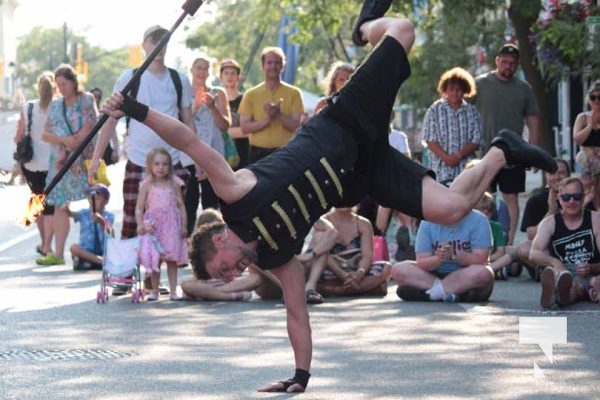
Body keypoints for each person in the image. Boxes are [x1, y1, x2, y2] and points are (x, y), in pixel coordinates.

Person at [100, 1, 556, 391]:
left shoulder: (233, 195)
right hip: (364, 173)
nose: (232, 273)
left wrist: (134, 109)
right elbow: (296, 314)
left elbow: (188, 141)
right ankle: (501, 151)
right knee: (454, 208)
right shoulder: (276, 258)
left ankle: (363, 28)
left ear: (218, 242)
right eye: (228, 276)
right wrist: (300, 375)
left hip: (344, 123)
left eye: (224, 268)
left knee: (403, 30)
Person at [89, 25, 194, 295]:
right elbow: (110, 121)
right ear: (144, 45)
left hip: (171, 160)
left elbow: (188, 123)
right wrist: (95, 160)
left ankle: (158, 277)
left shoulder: (178, 79)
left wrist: (197, 160)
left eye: (163, 41)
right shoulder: (130, 77)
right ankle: (125, 275)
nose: (158, 46)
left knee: (169, 221)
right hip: (138, 160)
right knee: (133, 219)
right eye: (153, 41)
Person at [472, 43, 541, 246]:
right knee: (483, 197)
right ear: (497, 61)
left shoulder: (524, 89)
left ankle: (508, 244)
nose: (508, 66)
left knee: (511, 198)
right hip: (485, 152)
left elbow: (533, 119)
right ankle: (483, 241)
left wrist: (533, 151)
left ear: (517, 65)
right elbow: (464, 109)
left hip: (514, 153)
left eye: (512, 63)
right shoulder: (480, 83)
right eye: (504, 62)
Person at [36, 64, 97, 266]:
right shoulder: (55, 105)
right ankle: (59, 253)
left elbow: (92, 125)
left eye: (65, 83)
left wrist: (75, 141)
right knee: (60, 205)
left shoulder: (86, 99)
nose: (61, 88)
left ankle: (96, 246)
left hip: (82, 159)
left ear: (73, 82)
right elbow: (45, 134)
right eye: (58, 84)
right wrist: (64, 141)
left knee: (94, 201)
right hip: (60, 161)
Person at [392, 205, 494, 303]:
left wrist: (455, 254)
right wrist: (439, 258)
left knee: (484, 273)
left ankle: (430, 294)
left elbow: (482, 259)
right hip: (433, 274)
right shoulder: (427, 222)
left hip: (465, 274)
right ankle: (449, 293)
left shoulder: (479, 220)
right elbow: (422, 262)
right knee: (398, 270)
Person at [181, 208, 283, 301]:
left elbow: (256, 279)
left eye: (225, 268)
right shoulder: (206, 266)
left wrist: (214, 291)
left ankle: (223, 295)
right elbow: (186, 286)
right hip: (262, 287)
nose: (234, 273)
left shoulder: (251, 247)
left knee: (256, 262)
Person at [530, 177, 600, 308]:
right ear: (559, 198)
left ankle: (558, 294)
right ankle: (559, 290)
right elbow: (533, 253)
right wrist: (555, 262)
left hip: (590, 271)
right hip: (563, 270)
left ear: (584, 197)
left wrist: (592, 267)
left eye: (577, 196)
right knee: (568, 281)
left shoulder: (595, 219)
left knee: (582, 284)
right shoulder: (549, 223)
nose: (572, 201)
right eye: (567, 197)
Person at [182, 57, 231, 235]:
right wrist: (195, 106)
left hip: (212, 154)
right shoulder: (184, 92)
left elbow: (225, 125)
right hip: (188, 154)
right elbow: (180, 122)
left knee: (211, 202)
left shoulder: (218, 93)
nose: (202, 72)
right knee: (189, 200)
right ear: (192, 70)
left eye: (205, 68)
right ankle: (186, 246)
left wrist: (212, 107)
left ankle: (214, 241)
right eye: (198, 68)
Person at [303, 207, 391, 304]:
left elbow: (368, 255)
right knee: (311, 272)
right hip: (331, 270)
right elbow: (321, 252)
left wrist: (359, 273)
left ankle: (332, 290)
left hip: (355, 271)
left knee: (386, 267)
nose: (343, 204)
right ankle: (364, 289)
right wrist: (342, 274)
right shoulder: (323, 221)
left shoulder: (363, 223)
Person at [135, 148, 188, 301]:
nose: (160, 167)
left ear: (170, 166)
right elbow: (139, 207)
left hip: (171, 226)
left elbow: (181, 206)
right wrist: (140, 224)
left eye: (165, 164)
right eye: (157, 164)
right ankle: (154, 290)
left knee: (171, 258)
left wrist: (184, 225)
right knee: (154, 258)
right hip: (153, 227)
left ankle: (173, 290)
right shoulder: (147, 184)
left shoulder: (174, 183)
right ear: (150, 165)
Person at [13, 71, 56, 257]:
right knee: (52, 206)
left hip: (32, 163)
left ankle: (44, 243)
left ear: (38, 87)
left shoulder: (28, 108)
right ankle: (48, 245)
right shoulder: (57, 106)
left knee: (38, 201)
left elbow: (18, 136)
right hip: (53, 163)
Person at [239, 46, 304, 162]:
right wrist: (267, 119)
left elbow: (296, 126)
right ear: (263, 67)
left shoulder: (294, 93)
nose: (273, 66)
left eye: (277, 63)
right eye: (269, 63)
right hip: (257, 154)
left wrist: (278, 115)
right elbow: (245, 127)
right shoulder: (250, 94)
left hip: (285, 152)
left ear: (282, 67)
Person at [422, 67, 481, 184]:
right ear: (445, 90)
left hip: (466, 170)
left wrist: (458, 155)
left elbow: (476, 140)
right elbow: (429, 139)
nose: (455, 93)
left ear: (465, 91)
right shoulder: (434, 109)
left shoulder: (472, 111)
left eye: (459, 89)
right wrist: (446, 158)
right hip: (440, 170)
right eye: (451, 89)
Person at [517, 158, 571, 280]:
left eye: (561, 173)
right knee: (523, 248)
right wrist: (551, 212)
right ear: (546, 176)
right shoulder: (535, 200)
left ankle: (550, 272)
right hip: (547, 249)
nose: (557, 177)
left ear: (569, 175)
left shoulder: (577, 197)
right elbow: (531, 235)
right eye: (552, 173)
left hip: (572, 246)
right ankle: (549, 270)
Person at [67, 184, 115, 270]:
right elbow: (71, 214)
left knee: (113, 235)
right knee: (74, 248)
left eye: (97, 199)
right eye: (90, 198)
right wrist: (67, 209)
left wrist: (101, 221)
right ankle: (101, 262)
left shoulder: (108, 215)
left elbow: (109, 231)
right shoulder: (83, 213)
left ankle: (90, 263)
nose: (93, 201)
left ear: (106, 201)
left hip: (103, 250)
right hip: (87, 250)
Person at [219, 59, 249, 169]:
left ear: (238, 77)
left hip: (241, 153)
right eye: (226, 73)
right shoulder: (214, 100)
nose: (229, 76)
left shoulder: (246, 100)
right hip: (219, 152)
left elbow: (249, 130)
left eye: (233, 73)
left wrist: (224, 132)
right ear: (220, 77)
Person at [573, 80, 600, 181]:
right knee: (587, 192)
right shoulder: (582, 117)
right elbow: (577, 139)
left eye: (599, 97)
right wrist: (590, 125)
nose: (596, 101)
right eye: (593, 98)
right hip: (586, 161)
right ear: (588, 100)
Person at [90, 87, 119, 166]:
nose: (96, 99)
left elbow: (112, 132)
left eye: (98, 97)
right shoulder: (85, 114)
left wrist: (116, 149)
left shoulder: (103, 113)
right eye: (94, 96)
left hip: (103, 148)